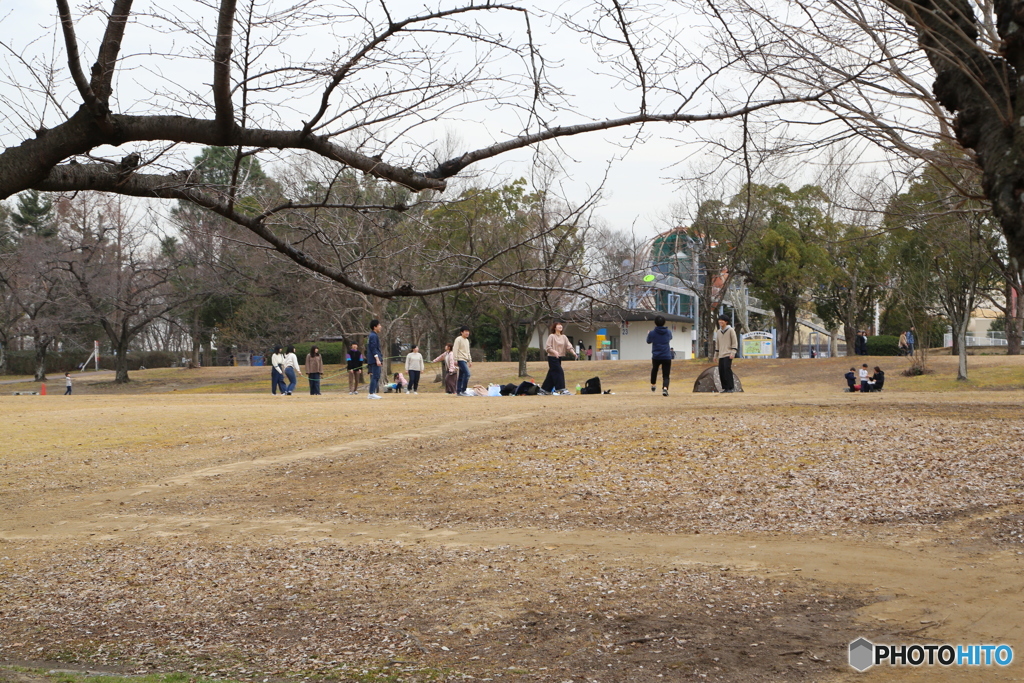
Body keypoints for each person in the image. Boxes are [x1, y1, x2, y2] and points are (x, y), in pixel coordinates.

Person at [541, 321, 577, 395]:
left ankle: (544, 390)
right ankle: (561, 389)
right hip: (552, 357)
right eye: (558, 325)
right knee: (559, 372)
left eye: (561, 325)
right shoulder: (551, 336)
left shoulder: (564, 337)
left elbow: (569, 346)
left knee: (552, 373)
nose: (560, 326)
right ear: (555, 327)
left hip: (559, 357)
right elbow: (547, 347)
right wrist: (554, 352)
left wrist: (573, 353)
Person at [647, 315, 673, 396]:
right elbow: (670, 338)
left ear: (655, 323)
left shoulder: (652, 333)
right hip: (666, 355)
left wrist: (649, 334)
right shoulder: (668, 332)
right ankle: (665, 388)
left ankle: (653, 384)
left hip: (656, 355)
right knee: (666, 374)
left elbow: (648, 341)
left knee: (654, 370)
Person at [713, 314, 738, 393]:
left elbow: (734, 342)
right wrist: (715, 355)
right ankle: (725, 388)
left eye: (722, 320)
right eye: (719, 320)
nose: (720, 322)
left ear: (726, 322)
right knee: (721, 371)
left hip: (728, 353)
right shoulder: (718, 332)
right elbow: (717, 344)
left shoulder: (731, 330)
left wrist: (733, 352)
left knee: (727, 370)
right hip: (721, 354)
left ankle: (731, 387)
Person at [453, 325, 473, 396]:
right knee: (467, 374)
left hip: (465, 359)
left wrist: (470, 360)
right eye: (465, 331)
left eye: (468, 331)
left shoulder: (467, 341)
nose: (467, 333)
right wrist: (455, 359)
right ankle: (463, 390)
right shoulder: (458, 339)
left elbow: (468, 351)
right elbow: (455, 349)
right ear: (461, 332)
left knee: (461, 376)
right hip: (460, 359)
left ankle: (459, 391)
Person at [368, 319, 383, 399]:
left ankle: (372, 392)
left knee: (376, 376)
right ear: (375, 327)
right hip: (374, 359)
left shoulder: (374, 335)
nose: (380, 327)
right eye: (379, 325)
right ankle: (371, 393)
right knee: (375, 376)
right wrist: (377, 359)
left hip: (375, 358)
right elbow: (373, 348)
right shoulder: (373, 336)